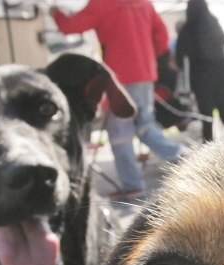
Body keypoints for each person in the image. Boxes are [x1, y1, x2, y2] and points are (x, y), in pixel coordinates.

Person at [51, 0, 182, 198]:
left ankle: (133, 184)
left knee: (120, 133)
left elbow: (71, 26)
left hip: (120, 76)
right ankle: (183, 158)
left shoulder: (102, 3)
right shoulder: (144, 3)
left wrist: (55, 13)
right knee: (146, 126)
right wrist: (147, 57)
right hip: (145, 72)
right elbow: (161, 36)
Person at [175, 0, 224, 142]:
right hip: (222, 75)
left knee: (206, 118)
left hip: (200, 79)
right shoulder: (214, 23)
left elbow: (179, 59)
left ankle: (209, 156)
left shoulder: (186, 29)